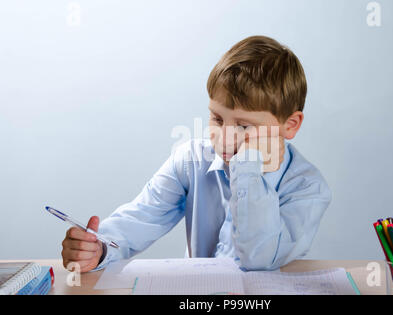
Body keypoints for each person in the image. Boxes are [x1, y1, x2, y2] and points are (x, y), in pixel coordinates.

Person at [61, 35, 332, 273]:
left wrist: (248, 170)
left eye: (244, 126)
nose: (224, 137)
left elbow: (258, 258)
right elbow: (141, 218)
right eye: (216, 118)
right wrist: (98, 249)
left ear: (290, 125)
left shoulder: (307, 188)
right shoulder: (191, 160)